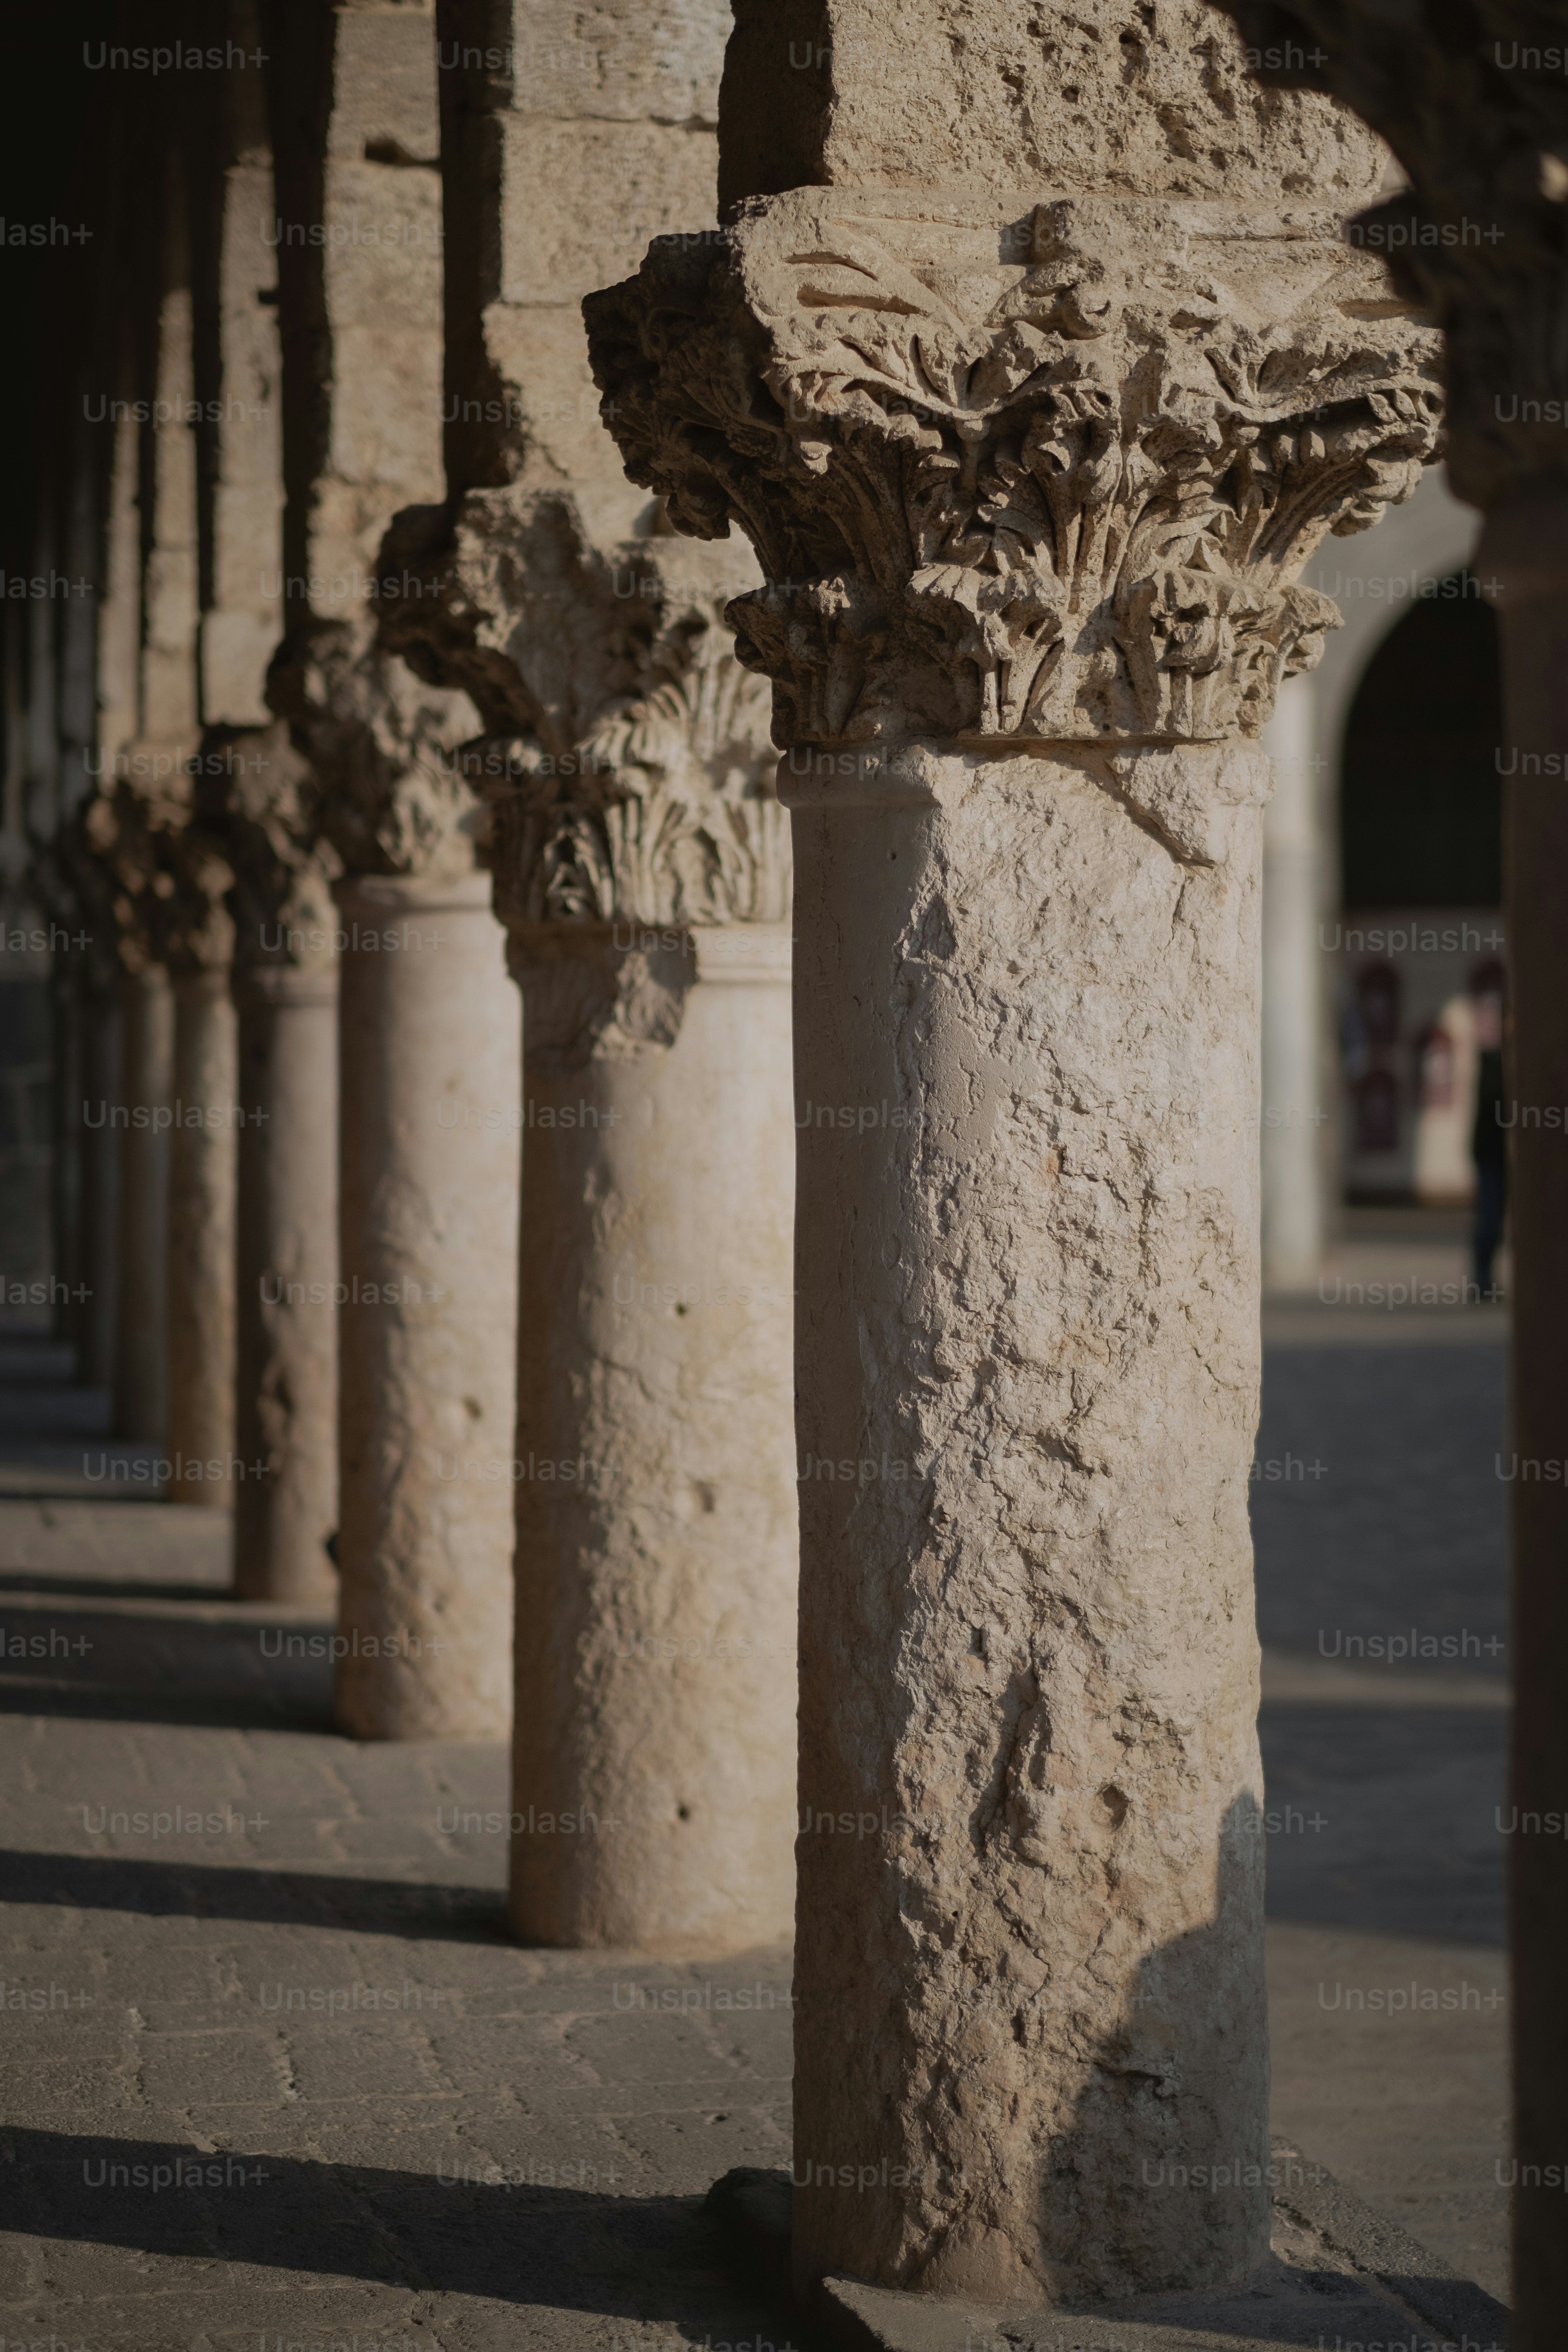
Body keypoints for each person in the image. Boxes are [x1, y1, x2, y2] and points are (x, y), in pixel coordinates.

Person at [1471, 983, 1506, 1301]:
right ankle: (1482, 1279)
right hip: (1492, 1152)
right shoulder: (1491, 1061)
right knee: (1489, 1220)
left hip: (1498, 1152)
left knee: (1492, 1218)